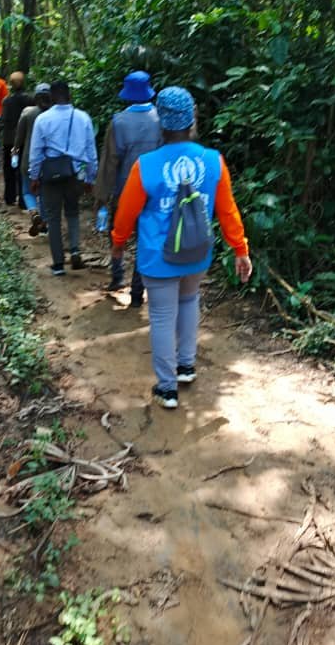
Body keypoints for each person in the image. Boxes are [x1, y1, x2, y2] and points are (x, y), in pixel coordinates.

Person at [111, 85, 252, 409]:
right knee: (189, 301)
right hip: (197, 252)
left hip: (158, 255)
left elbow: (126, 213)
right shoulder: (212, 160)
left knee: (162, 316)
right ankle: (186, 366)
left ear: (161, 121)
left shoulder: (146, 165)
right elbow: (228, 210)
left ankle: (167, 387)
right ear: (192, 120)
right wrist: (240, 250)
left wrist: (118, 245)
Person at [95, 70, 161, 306]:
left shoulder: (119, 122)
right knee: (146, 240)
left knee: (118, 233)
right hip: (153, 192)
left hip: (124, 190)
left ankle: (116, 276)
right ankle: (137, 290)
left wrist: (102, 197)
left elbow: (110, 161)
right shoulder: (160, 120)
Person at [29, 79, 98, 275]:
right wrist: (90, 178)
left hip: (50, 176)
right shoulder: (83, 118)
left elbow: (36, 153)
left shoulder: (42, 120)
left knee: (53, 218)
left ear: (51, 97)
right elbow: (91, 153)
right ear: (69, 96)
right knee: (73, 211)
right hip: (76, 174)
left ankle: (58, 264)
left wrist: (34, 177)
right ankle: (75, 249)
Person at [13, 83, 51, 236]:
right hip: (49, 161)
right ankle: (44, 225)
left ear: (35, 98)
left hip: (29, 159)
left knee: (27, 192)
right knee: (45, 193)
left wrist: (15, 149)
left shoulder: (28, 113)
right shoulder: (55, 115)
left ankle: (34, 213)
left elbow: (19, 137)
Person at [0, 72, 32, 205]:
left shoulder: (7, 101)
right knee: (23, 170)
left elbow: (1, 121)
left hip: (9, 140)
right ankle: (23, 200)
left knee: (9, 170)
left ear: (11, 85)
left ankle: (9, 197)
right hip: (25, 140)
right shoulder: (30, 100)